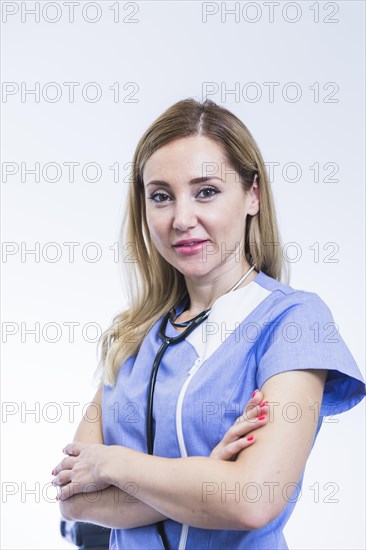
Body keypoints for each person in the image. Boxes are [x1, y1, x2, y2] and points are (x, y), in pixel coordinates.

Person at [52, 98, 365, 550]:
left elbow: (252, 499)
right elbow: (74, 501)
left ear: (252, 195)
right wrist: (208, 475)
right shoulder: (132, 336)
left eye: (206, 191)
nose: (182, 219)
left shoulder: (293, 322)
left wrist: (113, 464)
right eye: (161, 196)